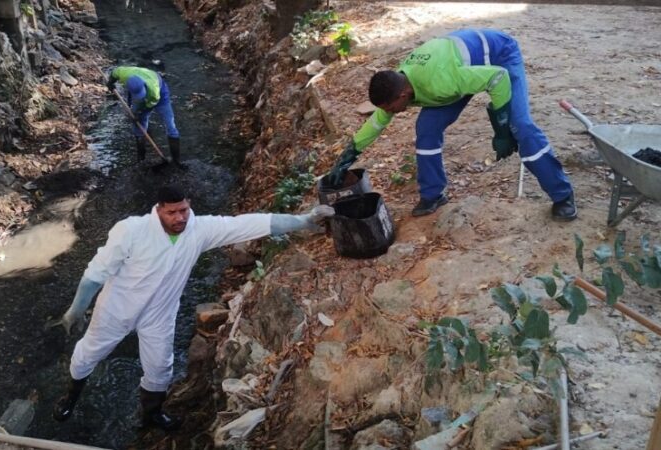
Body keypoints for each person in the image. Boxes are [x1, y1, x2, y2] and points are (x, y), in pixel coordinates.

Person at [53, 185, 334, 430]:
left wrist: (304, 221)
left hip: (159, 314)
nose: (180, 218)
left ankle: (152, 414)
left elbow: (249, 223)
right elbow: (94, 276)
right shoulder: (131, 231)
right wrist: (74, 312)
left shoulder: (198, 230)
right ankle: (70, 397)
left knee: (160, 367)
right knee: (89, 353)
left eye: (184, 210)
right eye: (172, 212)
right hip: (117, 309)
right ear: (158, 210)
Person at [324, 28, 577, 221]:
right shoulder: (400, 82)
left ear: (402, 95)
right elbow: (377, 124)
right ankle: (433, 195)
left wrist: (502, 130)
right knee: (427, 129)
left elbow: (497, 78)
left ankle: (562, 194)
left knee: (520, 126)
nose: (388, 113)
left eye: (390, 108)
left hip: (499, 57)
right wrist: (348, 156)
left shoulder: (442, 81)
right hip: (461, 70)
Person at [106, 66, 186, 169]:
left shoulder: (154, 91)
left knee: (170, 123)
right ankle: (141, 160)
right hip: (139, 91)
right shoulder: (124, 73)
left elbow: (149, 105)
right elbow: (114, 73)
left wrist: (138, 113)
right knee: (138, 125)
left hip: (161, 94)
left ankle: (176, 161)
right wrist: (110, 82)